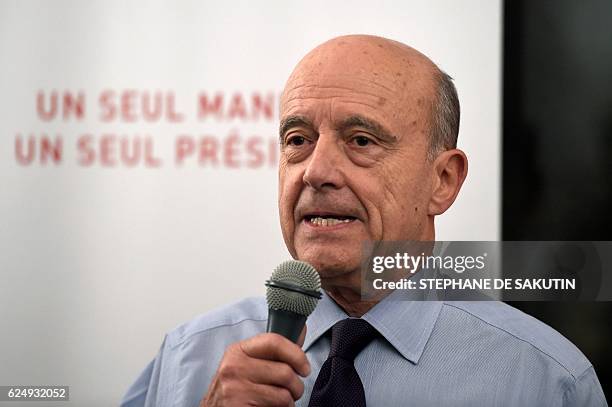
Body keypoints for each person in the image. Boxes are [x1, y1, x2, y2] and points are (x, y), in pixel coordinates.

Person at [121, 35, 607, 407]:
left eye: (361, 141)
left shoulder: (543, 378)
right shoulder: (191, 357)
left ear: (443, 181)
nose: (316, 171)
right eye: (297, 140)